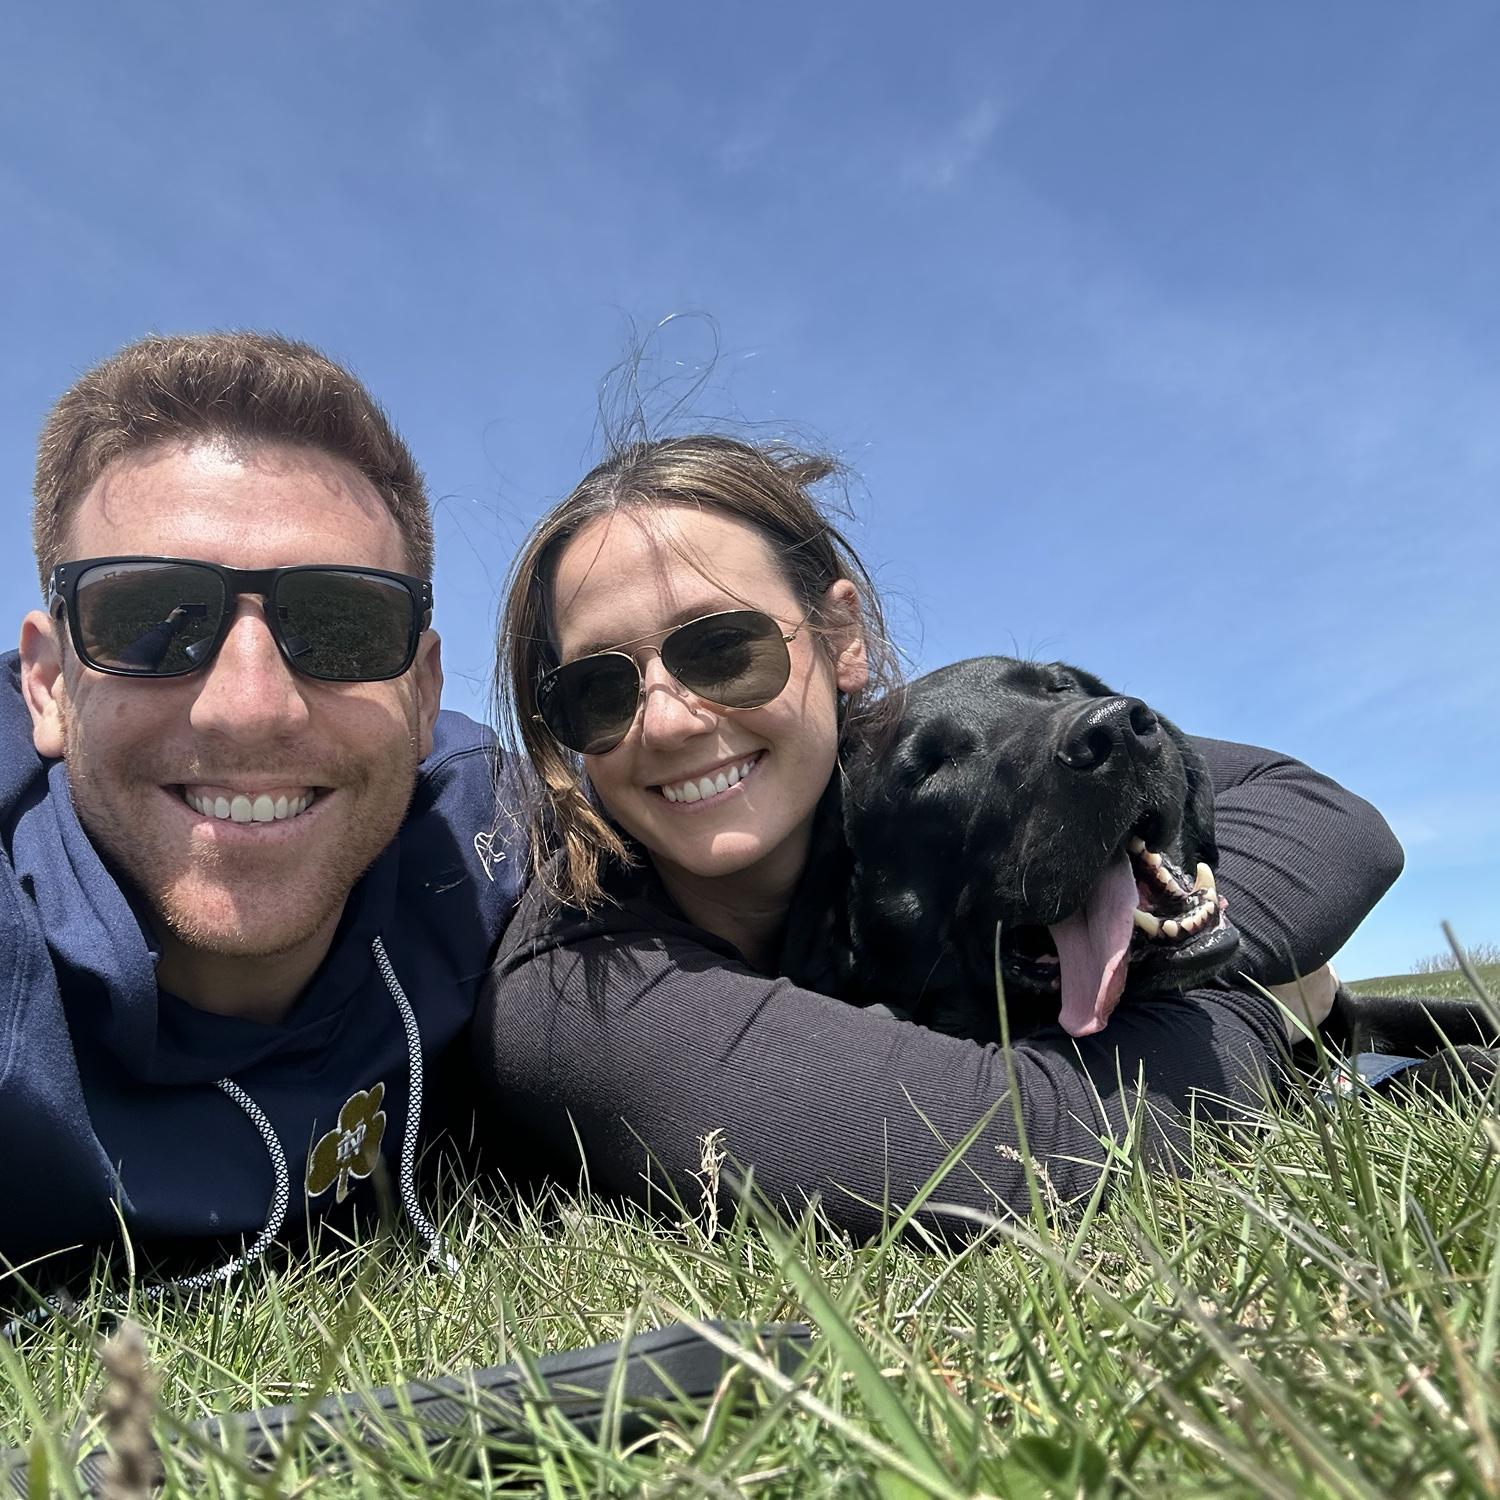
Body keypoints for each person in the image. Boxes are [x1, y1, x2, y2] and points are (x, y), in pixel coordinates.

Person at [476, 434, 1404, 1239]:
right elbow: (1021, 1149)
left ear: (841, 636)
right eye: (600, 690)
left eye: (724, 648)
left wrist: (1182, 947)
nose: (672, 721)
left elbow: (1323, 817)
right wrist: (1270, 1002)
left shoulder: (894, 758)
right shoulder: (577, 982)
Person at [2, 333, 523, 1284]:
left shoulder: (492, 838)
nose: (250, 707)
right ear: (48, 687)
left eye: (341, 626)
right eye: (150, 624)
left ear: (423, 692)